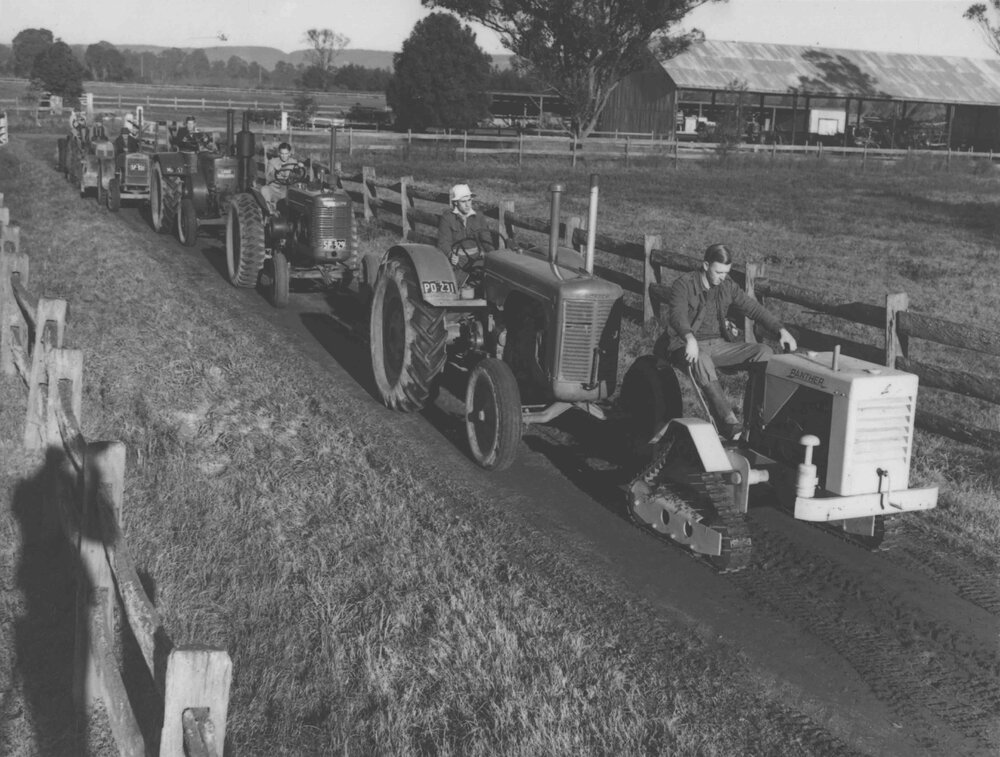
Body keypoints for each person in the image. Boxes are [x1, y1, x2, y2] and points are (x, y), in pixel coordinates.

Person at [654, 243, 797, 439]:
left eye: (726, 272)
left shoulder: (727, 285)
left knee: (764, 352)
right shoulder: (684, 284)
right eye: (718, 272)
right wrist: (689, 337)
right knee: (701, 360)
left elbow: (753, 308)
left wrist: (781, 330)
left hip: (717, 344)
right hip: (684, 344)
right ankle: (728, 424)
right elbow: (677, 315)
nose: (722, 277)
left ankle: (754, 424)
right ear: (705, 265)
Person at [437, 184, 493, 266]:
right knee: (457, 277)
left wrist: (490, 253)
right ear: (456, 203)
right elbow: (443, 243)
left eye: (469, 200)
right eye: (463, 201)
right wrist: (451, 255)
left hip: (477, 257)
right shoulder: (448, 218)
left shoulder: (478, 216)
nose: (467, 205)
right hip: (458, 258)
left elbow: (486, 239)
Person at [261, 142, 305, 209]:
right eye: (282, 153)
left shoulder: (294, 162)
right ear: (279, 153)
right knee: (264, 189)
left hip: (286, 191)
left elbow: (299, 174)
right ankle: (270, 210)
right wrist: (276, 173)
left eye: (286, 154)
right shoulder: (272, 162)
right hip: (274, 189)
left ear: (289, 153)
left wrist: (301, 167)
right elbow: (269, 176)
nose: (284, 156)